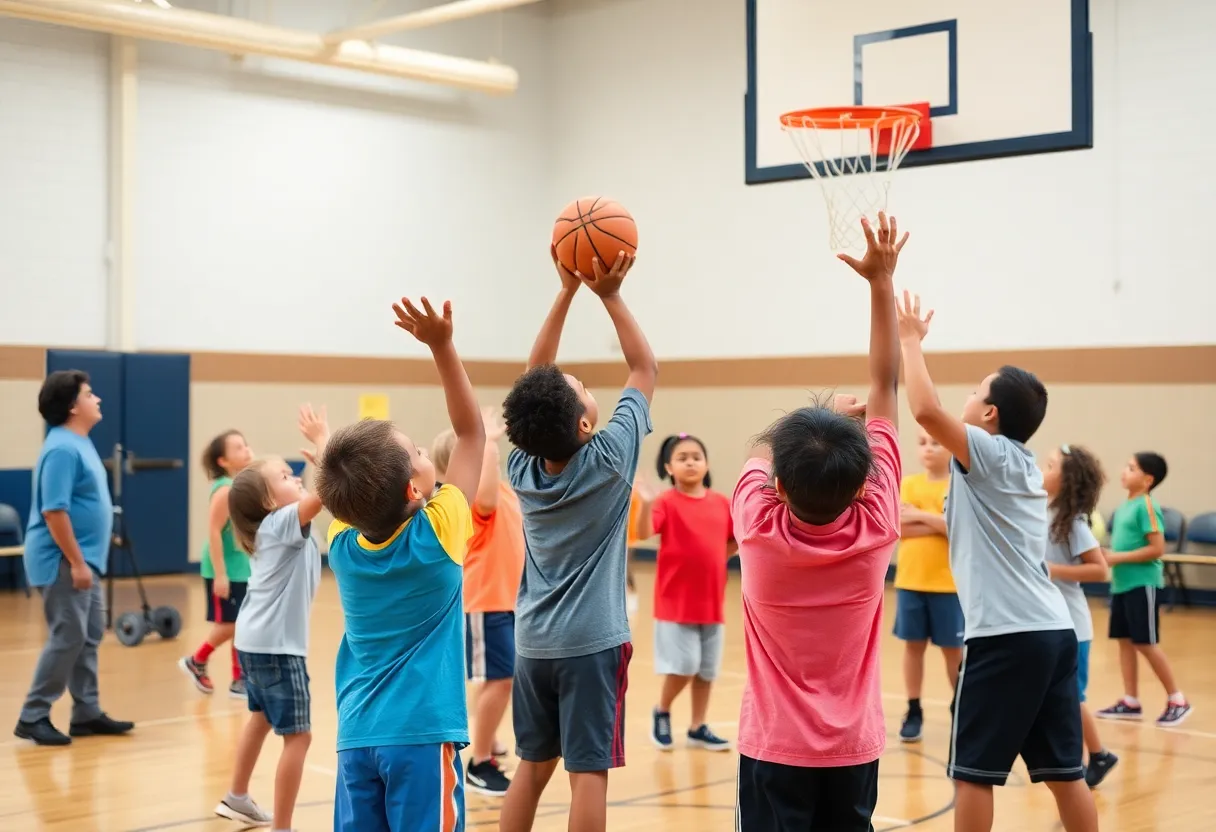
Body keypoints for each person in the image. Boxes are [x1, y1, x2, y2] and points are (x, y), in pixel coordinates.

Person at [899, 291, 1098, 832]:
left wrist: (910, 341)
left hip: (1005, 637)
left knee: (973, 774)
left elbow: (923, 410)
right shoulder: (1019, 465)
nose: (964, 398)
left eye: (974, 391)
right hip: (1051, 631)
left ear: (990, 413)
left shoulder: (989, 451)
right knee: (1064, 772)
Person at [731, 214, 904, 832]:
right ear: (864, 485)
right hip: (854, 748)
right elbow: (885, 384)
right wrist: (881, 284)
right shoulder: (877, 525)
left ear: (777, 487)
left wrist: (821, 416)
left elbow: (759, 452)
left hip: (775, 747)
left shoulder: (755, 527)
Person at [498, 247, 656, 832]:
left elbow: (529, 386)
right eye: (584, 387)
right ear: (587, 424)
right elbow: (644, 370)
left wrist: (564, 293)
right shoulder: (611, 460)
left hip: (533, 642)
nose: (584, 384)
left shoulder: (521, 469)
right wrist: (609, 295)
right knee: (588, 773)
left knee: (532, 767)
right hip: (592, 645)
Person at [315, 297, 485, 832]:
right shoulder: (437, 535)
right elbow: (472, 433)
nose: (423, 450)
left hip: (356, 737)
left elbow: (343, 488)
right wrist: (441, 345)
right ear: (415, 489)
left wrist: (331, 451)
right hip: (420, 735)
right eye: (416, 449)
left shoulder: (341, 543)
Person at [214, 406, 326, 831]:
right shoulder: (281, 522)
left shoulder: (277, 523)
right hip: (277, 648)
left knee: (260, 718)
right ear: (266, 501)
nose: (295, 477)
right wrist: (323, 439)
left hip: (254, 641)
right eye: (284, 476)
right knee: (299, 737)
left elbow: (316, 496)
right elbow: (328, 495)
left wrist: (316, 469)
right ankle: (283, 826)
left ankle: (237, 796)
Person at [14, 370, 134, 746]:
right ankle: (32, 715)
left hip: (84, 559)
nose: (96, 399)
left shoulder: (78, 443)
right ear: (71, 406)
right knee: (69, 635)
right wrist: (78, 563)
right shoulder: (62, 448)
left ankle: (86, 712)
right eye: (89, 393)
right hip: (63, 561)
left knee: (90, 634)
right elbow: (54, 511)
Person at [431, 406, 523, 798]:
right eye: (485, 452)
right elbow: (485, 497)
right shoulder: (470, 498)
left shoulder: (503, 489)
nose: (493, 453)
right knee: (500, 680)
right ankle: (479, 762)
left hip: (507, 600)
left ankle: (482, 737)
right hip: (486, 601)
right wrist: (485, 443)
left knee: (498, 680)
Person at [633, 434, 734, 753]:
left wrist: (721, 556)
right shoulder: (665, 502)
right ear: (669, 467)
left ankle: (697, 726)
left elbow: (734, 539)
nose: (690, 462)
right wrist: (647, 503)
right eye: (682, 457)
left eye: (696, 456)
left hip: (711, 602)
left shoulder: (721, 503)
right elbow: (644, 531)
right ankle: (662, 710)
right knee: (685, 666)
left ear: (706, 464)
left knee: (706, 670)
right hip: (675, 603)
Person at [1040, 444, 1118, 789]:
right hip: (1050, 621)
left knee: (1073, 696)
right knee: (1057, 694)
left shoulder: (1072, 522)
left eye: (1051, 465)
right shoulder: (1045, 511)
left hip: (1073, 625)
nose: (1044, 468)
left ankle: (1098, 754)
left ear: (1067, 479)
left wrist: (1053, 570)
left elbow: (1100, 571)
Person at [1096, 452, 1192, 726]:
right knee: (1125, 642)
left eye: (1131, 468)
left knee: (1146, 643)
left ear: (1148, 479)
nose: (1124, 471)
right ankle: (1130, 700)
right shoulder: (1125, 506)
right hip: (1122, 584)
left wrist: (1115, 557)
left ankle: (1177, 699)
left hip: (1143, 585)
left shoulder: (1147, 506)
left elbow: (1156, 549)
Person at [893, 427, 961, 743]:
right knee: (913, 647)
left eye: (935, 442)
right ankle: (914, 709)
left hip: (949, 585)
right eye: (922, 442)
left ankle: (962, 709)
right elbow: (898, 528)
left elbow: (960, 529)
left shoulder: (959, 485)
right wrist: (939, 524)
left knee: (953, 651)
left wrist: (919, 515)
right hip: (911, 580)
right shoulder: (907, 484)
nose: (928, 449)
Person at [179, 429, 255, 697]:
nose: (246, 449)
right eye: (238, 448)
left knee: (242, 623)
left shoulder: (239, 485)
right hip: (223, 570)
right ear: (223, 461)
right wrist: (220, 574)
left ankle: (239, 679)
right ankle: (197, 660)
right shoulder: (224, 490)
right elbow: (213, 531)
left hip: (240, 568)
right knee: (231, 624)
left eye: (245, 445)